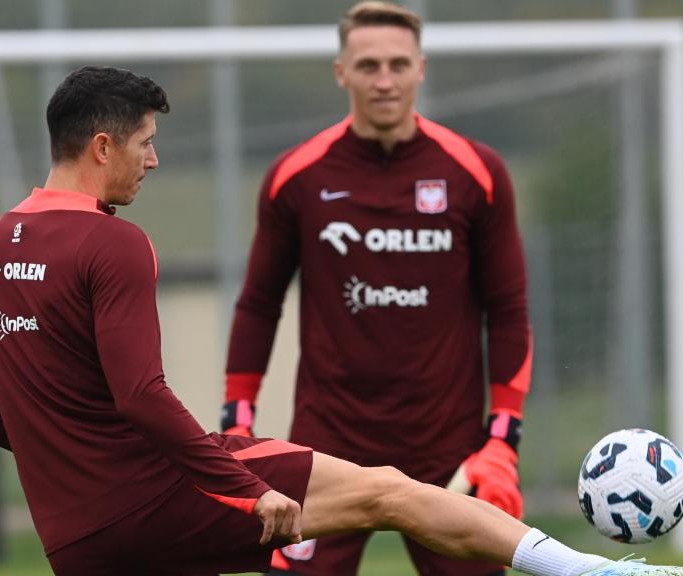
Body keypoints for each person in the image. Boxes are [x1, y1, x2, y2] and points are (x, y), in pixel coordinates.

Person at [0, 64, 683, 576]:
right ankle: (588, 569)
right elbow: (140, 394)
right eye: (145, 143)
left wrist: (74, 462)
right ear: (102, 146)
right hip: (156, 496)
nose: (151, 162)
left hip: (72, 536)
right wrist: (245, 488)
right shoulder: (112, 240)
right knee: (393, 491)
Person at [223, 2, 528, 573]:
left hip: (449, 450)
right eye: (368, 66)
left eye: (396, 64)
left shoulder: (477, 173)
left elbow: (508, 310)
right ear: (341, 72)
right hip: (328, 447)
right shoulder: (298, 176)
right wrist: (238, 419)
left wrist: (502, 439)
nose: (383, 80)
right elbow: (259, 305)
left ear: (421, 68)